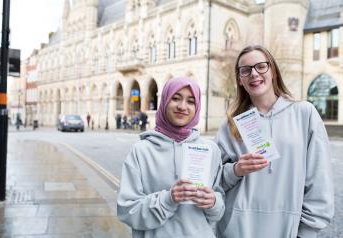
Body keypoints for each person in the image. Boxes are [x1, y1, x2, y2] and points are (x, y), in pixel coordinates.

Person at [215, 45, 334, 238]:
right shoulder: (230, 125)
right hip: (237, 231)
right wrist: (236, 170)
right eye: (245, 70)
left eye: (261, 66)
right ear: (240, 79)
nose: (254, 73)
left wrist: (306, 232)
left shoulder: (304, 113)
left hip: (287, 231)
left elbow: (320, 180)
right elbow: (213, 181)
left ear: (273, 72)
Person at [117, 77, 225, 237]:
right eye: (175, 98)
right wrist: (168, 199)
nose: (182, 107)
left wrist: (213, 203)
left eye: (190, 101)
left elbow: (218, 210)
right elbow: (127, 211)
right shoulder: (141, 151)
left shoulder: (210, 150)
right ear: (165, 100)